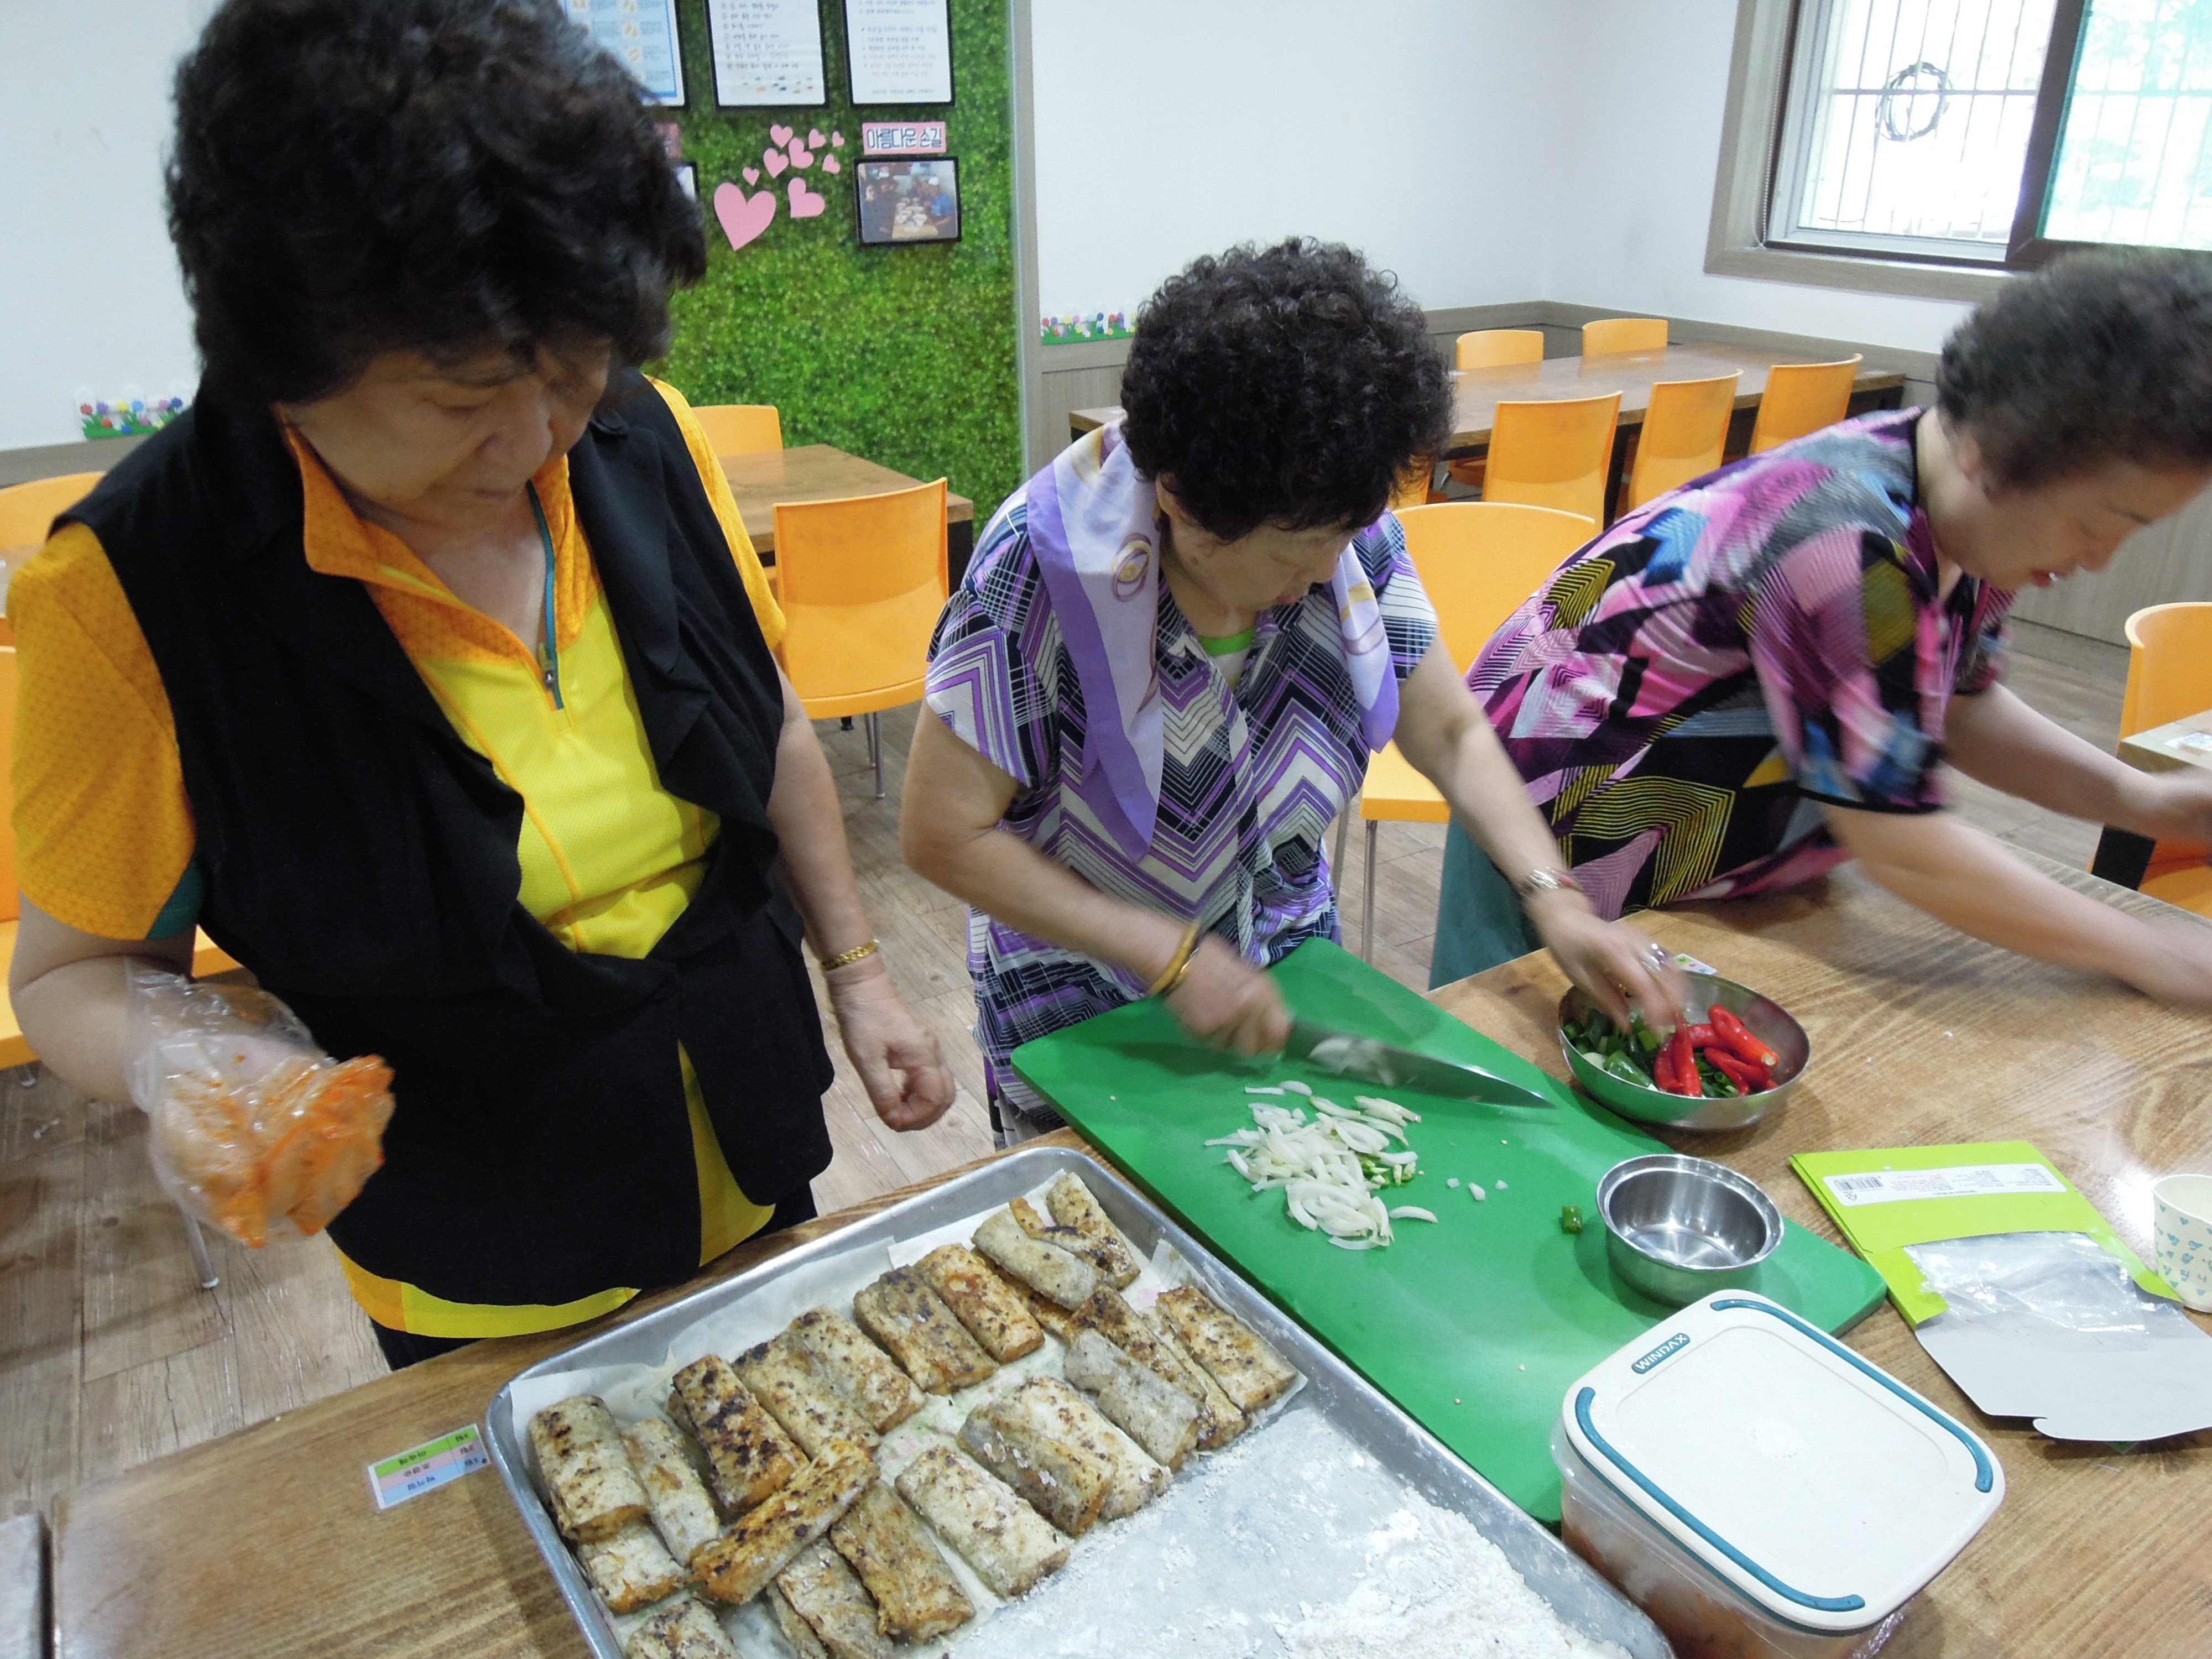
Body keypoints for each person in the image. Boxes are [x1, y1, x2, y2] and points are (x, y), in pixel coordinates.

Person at [7, 0, 952, 1368]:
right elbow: (73, 971)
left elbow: (768, 725)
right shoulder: (134, 590)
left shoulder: (638, 436)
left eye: (569, 374)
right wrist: (185, 1057)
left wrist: (858, 972)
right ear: (282, 360)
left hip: (740, 1133)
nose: (531, 440)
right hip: (482, 1232)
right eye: (460, 401)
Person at [902, 240, 1683, 1143]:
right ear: (1183, 503)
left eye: (1345, 537)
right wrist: (1168, 955)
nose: (1326, 572)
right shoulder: (1039, 577)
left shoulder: (1342, 533)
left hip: (1285, 976)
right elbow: (942, 833)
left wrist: (1554, 897)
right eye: (1297, 550)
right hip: (1086, 1004)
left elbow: (1452, 733)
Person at [1430, 248, 2212, 1009]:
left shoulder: (1970, 519)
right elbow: (1903, 845)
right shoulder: (1844, 543)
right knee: (1515, 1057)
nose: (2099, 558)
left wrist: (2141, 799)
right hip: (1556, 833)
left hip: (1701, 856)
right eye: (2097, 522)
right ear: (1992, 449)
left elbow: (1962, 704)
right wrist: (2148, 949)